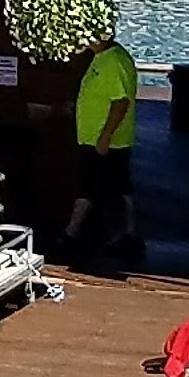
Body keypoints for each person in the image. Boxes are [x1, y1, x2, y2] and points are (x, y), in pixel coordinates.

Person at [68, 29, 140, 261]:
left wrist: (106, 136)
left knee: (110, 190)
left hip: (107, 142)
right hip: (93, 139)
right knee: (93, 186)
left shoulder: (114, 60)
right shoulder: (101, 59)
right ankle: (73, 233)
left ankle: (119, 238)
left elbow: (121, 103)